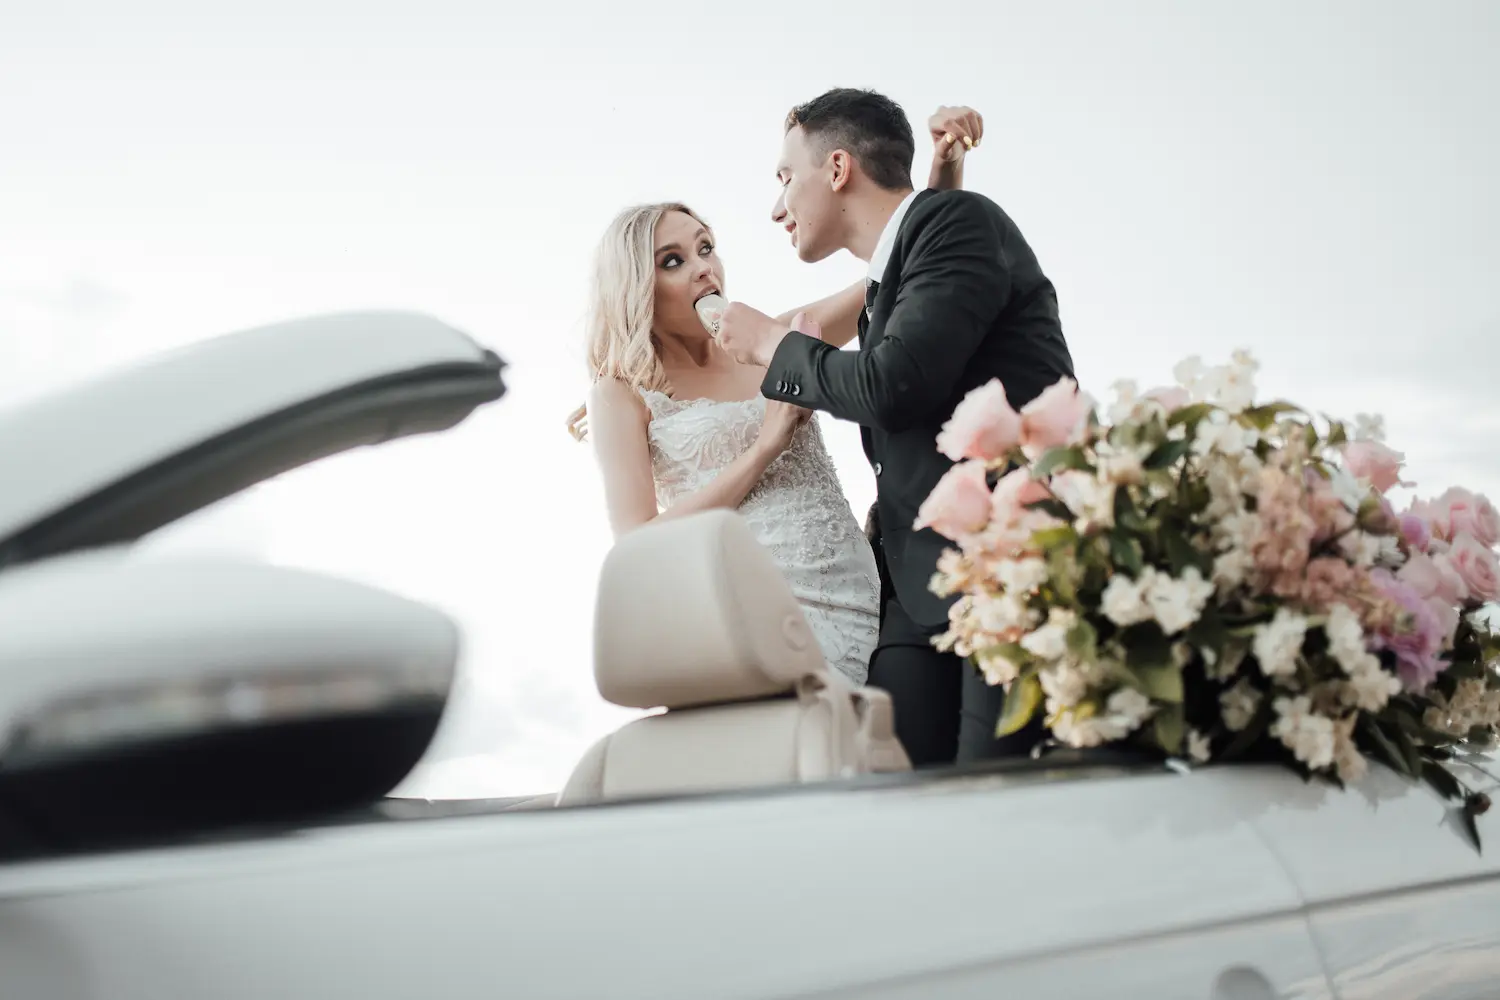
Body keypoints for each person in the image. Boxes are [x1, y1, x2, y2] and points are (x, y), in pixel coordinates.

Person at [715, 88, 1077, 766]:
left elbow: (894, 385)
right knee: (895, 799)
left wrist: (771, 342)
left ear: (839, 168)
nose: (776, 206)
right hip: (916, 587)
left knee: (988, 802)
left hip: (1004, 571)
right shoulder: (899, 272)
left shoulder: (960, 222)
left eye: (785, 177)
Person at [566, 105, 984, 686]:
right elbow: (634, 542)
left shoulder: (775, 339)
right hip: (758, 612)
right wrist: (763, 448)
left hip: (869, 598)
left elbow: (899, 275)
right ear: (637, 286)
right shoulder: (619, 393)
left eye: (706, 248)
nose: (703, 270)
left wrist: (943, 170)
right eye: (673, 262)